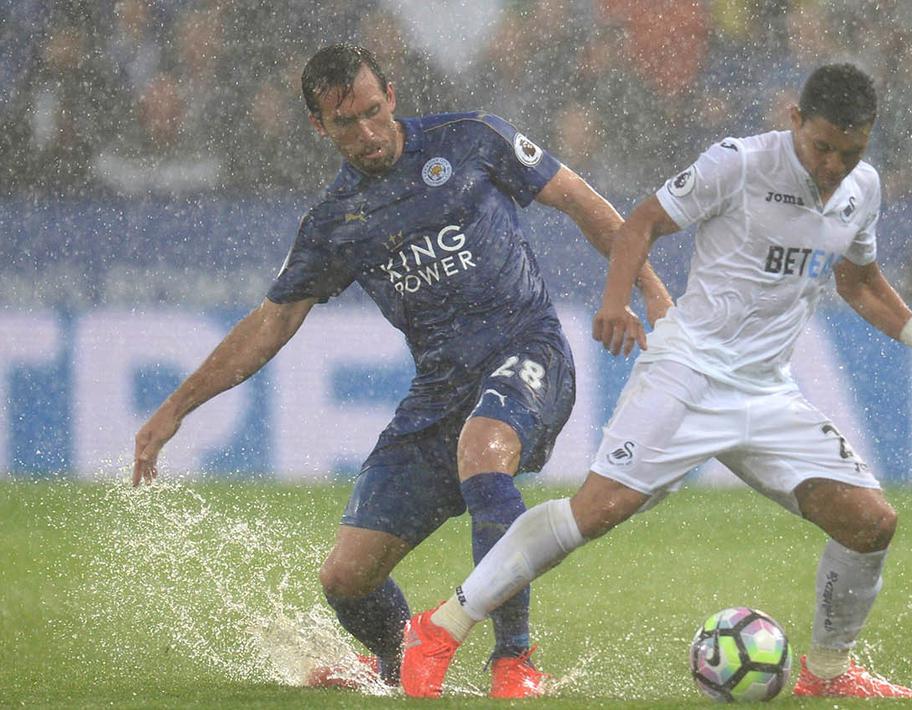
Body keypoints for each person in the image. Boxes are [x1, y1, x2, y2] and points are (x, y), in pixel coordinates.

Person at [399, 63, 912, 699]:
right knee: (596, 511)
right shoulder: (738, 163)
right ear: (795, 119)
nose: (833, 166)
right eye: (822, 148)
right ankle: (440, 626)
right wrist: (617, 300)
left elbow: (859, 282)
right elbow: (642, 222)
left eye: (850, 152)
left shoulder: (861, 188)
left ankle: (825, 675)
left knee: (871, 523)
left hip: (766, 391)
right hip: (688, 372)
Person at [130, 43, 672, 698]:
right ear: (318, 128)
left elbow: (581, 201)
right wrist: (175, 409)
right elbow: (272, 322)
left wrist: (649, 290)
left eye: (371, 112)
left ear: (391, 94)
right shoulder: (334, 222)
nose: (365, 135)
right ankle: (401, 662)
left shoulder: (469, 138)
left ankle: (514, 660)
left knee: (484, 450)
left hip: (528, 351)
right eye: (344, 125)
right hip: (439, 394)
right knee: (345, 578)